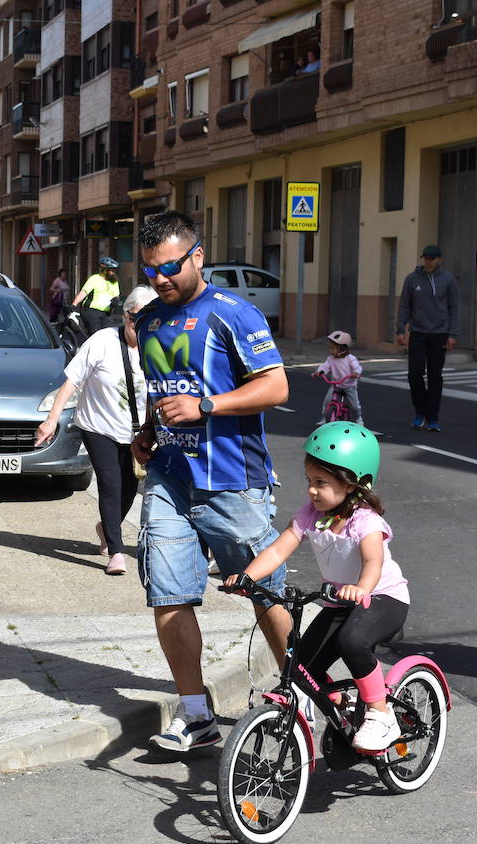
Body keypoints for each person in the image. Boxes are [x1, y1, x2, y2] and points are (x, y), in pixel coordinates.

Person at [129, 210, 291, 752]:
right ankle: (196, 715)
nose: (159, 278)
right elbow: (164, 388)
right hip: (169, 475)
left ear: (197, 256)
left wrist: (206, 406)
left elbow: (275, 388)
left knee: (266, 592)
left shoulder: (233, 315)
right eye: (150, 269)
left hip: (232, 481)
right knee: (168, 593)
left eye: (170, 266)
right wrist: (147, 431)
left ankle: (301, 696)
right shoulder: (148, 319)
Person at [226, 422, 410, 751]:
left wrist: (362, 588)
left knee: (352, 641)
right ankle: (346, 706)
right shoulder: (312, 514)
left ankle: (381, 714)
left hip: (382, 598)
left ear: (354, 484)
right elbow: (278, 549)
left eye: (321, 483)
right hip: (340, 602)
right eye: (309, 481)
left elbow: (373, 562)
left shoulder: (364, 521)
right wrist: (248, 577)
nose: (312, 490)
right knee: (299, 668)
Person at [36, 286, 154, 576]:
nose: (141, 325)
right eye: (137, 317)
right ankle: (116, 551)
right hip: (97, 426)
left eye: (150, 318)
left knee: (128, 488)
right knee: (111, 484)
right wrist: (51, 419)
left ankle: (106, 527)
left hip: (135, 431)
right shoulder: (102, 341)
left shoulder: (158, 346)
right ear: (126, 315)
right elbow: (71, 382)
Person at [395, 244, 459, 432]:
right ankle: (420, 411)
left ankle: (432, 417)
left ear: (439, 260)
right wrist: (400, 329)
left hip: (439, 334)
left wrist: (453, 333)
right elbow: (405, 305)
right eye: (426, 258)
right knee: (414, 373)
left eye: (432, 258)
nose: (428, 262)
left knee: (434, 376)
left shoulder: (448, 280)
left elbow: (454, 307)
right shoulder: (412, 279)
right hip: (418, 333)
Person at [314, 329, 362, 424]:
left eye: (333, 348)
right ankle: (324, 418)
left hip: (349, 386)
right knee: (327, 401)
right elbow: (325, 366)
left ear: (342, 349)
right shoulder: (331, 359)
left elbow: (357, 367)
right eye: (330, 348)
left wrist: (356, 373)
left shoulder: (350, 359)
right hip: (336, 386)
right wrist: (319, 371)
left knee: (354, 406)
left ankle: (358, 419)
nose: (330, 350)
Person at [73, 256, 120, 336]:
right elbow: (83, 292)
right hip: (91, 312)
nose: (113, 272)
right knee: (96, 335)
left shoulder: (114, 281)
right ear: (104, 270)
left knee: (109, 334)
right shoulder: (94, 279)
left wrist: (115, 300)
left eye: (114, 270)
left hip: (106, 313)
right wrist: (74, 304)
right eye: (111, 270)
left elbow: (116, 295)